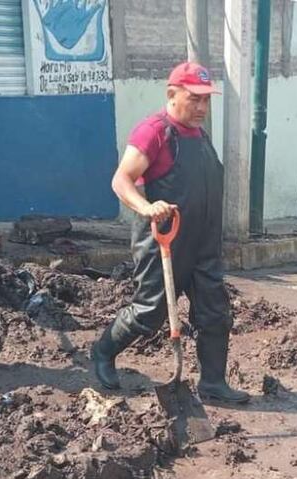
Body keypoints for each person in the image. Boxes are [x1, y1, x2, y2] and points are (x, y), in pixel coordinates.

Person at [91, 62, 250, 404]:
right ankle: (103, 351)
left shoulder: (199, 135)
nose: (202, 108)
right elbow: (121, 179)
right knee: (150, 311)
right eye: (194, 99)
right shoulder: (154, 131)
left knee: (214, 311)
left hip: (204, 241)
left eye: (206, 101)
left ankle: (213, 383)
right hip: (165, 241)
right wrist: (146, 207)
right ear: (171, 94)